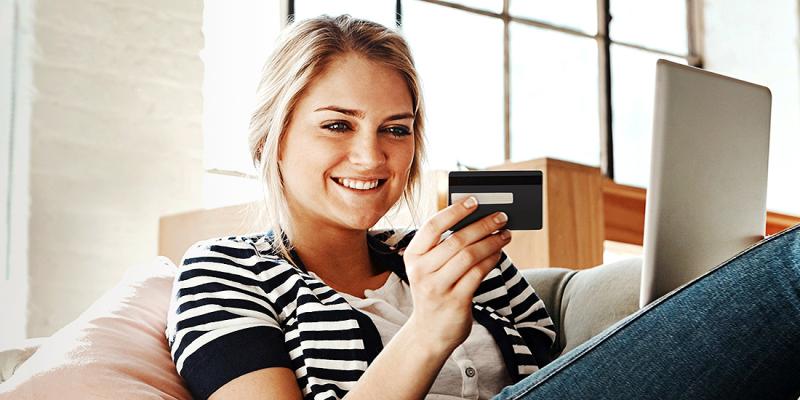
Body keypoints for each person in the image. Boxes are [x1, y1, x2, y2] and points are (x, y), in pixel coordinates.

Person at [166, 15, 800, 400]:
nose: (372, 158)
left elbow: (567, 375)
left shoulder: (464, 256)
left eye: (396, 129)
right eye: (336, 125)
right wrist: (428, 328)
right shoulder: (225, 273)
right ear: (269, 139)